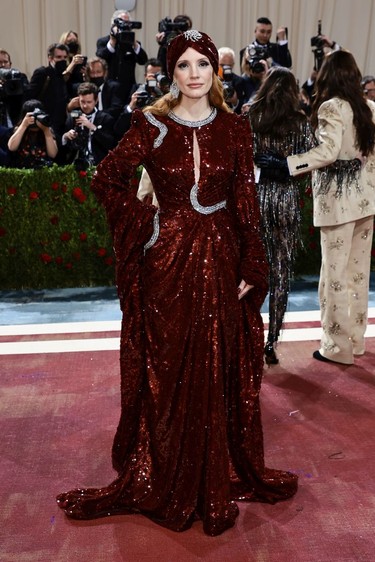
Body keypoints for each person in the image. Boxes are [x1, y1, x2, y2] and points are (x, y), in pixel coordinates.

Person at [56, 30, 297, 536]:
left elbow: (247, 208)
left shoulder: (235, 129)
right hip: (165, 259)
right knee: (168, 365)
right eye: (183, 65)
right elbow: (106, 178)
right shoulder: (149, 123)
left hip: (222, 256)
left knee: (217, 360)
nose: (193, 73)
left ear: (214, 71)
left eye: (202, 64)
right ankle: (165, 463)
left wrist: (255, 265)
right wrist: (147, 222)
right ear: (172, 72)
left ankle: (215, 466)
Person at [257, 50, 375, 365]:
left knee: (334, 276)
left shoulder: (331, 107)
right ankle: (356, 341)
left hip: (338, 204)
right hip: (366, 203)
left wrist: (288, 164)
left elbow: (328, 151)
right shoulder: (370, 108)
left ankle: (337, 348)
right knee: (358, 275)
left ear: (327, 76)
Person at [248, 67, 317, 365]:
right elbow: (314, 158)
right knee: (280, 274)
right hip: (285, 199)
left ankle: (249, 335)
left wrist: (266, 166)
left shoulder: (251, 117)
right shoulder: (300, 122)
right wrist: (287, 165)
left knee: (250, 272)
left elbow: (240, 157)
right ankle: (271, 340)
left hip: (256, 199)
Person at [96, 9, 148, 104]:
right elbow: (101, 57)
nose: (125, 25)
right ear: (113, 24)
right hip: (111, 88)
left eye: (127, 23)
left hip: (129, 88)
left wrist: (134, 44)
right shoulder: (103, 41)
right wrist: (112, 41)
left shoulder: (133, 43)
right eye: (121, 22)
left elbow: (143, 60)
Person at [62, 82, 116, 170]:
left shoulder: (106, 118)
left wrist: (92, 127)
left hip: (99, 165)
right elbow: (64, 149)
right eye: (82, 101)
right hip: (76, 165)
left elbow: (111, 144)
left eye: (89, 102)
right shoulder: (72, 117)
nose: (85, 105)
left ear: (96, 100)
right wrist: (66, 136)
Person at [25, 43, 70, 142]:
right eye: (58, 57)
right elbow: (30, 96)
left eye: (65, 57)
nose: (62, 60)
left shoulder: (63, 75)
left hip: (61, 125)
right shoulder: (42, 73)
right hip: (44, 124)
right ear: (50, 58)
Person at [114, 58, 165, 139]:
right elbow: (120, 127)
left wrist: (163, 92)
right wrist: (131, 106)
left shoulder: (166, 93)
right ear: (145, 76)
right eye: (152, 74)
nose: (154, 78)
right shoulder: (137, 90)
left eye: (157, 75)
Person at [7, 99, 58, 168]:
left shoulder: (47, 130)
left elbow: (53, 154)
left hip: (43, 172)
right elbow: (12, 147)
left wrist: (46, 131)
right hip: (21, 171)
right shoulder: (19, 129)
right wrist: (23, 125)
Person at [218, 46, 246, 114]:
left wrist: (235, 102)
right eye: (222, 65)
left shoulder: (239, 81)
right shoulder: (209, 79)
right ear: (216, 63)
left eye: (229, 66)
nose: (225, 68)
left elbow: (241, 111)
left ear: (233, 65)